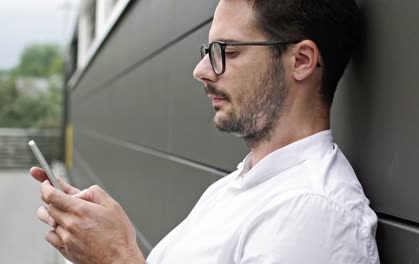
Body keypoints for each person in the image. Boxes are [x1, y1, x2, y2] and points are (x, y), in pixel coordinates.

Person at [31, 0, 380, 263]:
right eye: (208, 51)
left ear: (301, 60)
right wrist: (101, 244)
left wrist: (119, 257)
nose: (201, 70)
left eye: (226, 50)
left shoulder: (313, 215)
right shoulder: (238, 185)